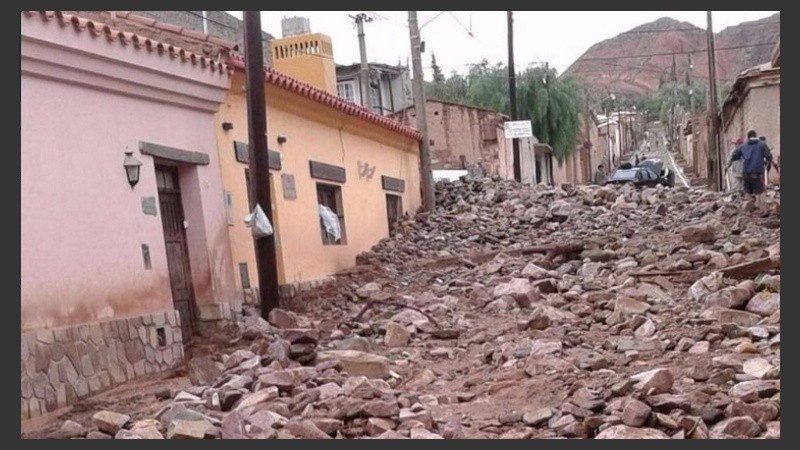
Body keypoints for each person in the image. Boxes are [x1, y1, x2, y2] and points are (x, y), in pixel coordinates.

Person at [726, 130, 776, 210]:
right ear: (755, 136)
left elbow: (734, 156)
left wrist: (731, 162)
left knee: (748, 193)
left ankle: (748, 213)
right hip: (757, 173)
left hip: (746, 174)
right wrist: (767, 164)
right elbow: (769, 156)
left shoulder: (743, 146)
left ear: (748, 137)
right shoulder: (762, 145)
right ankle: (761, 211)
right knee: (759, 193)